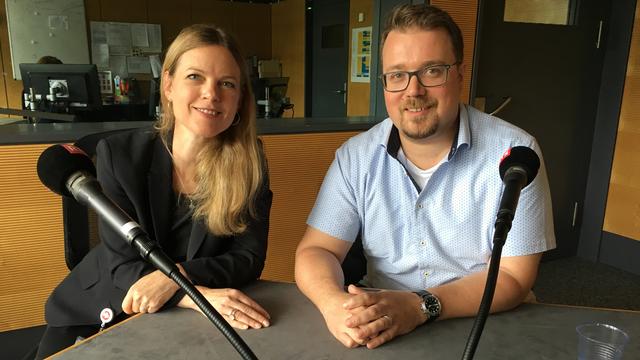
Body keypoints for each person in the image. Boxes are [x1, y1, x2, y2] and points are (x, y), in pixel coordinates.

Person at [295, 4, 555, 350]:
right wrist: (334, 305)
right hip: (382, 323)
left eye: (432, 71)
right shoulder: (355, 157)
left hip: (482, 319)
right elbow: (316, 250)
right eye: (397, 75)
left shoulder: (516, 155)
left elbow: (513, 277)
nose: (413, 91)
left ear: (459, 75)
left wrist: (420, 306)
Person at [35, 24, 273, 358]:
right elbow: (123, 266)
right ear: (169, 85)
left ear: (239, 100)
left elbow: (248, 258)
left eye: (227, 84)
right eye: (195, 77)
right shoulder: (119, 156)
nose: (211, 93)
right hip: (99, 308)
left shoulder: (250, 164)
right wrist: (191, 292)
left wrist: (179, 277)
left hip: (179, 319)